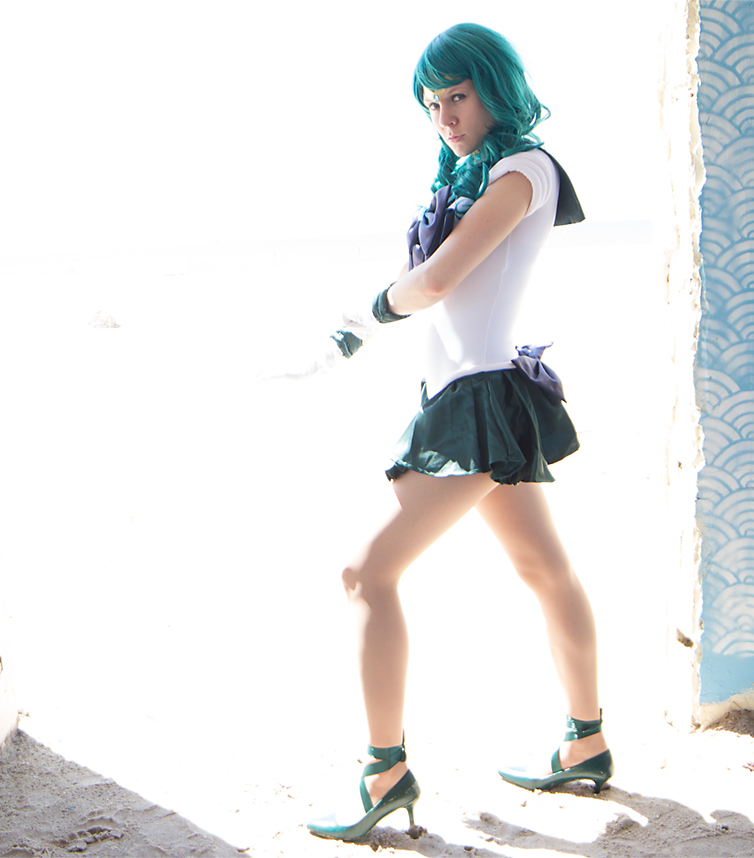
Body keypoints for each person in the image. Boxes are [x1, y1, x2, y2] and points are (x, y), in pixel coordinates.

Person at [302, 23, 610, 842]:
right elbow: (437, 288)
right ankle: (586, 744)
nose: (444, 116)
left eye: (458, 96)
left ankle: (384, 774)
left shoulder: (523, 170)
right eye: (432, 103)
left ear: (495, 88)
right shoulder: (474, 174)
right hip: (470, 394)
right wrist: (366, 323)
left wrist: (366, 313)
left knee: (365, 573)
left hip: (479, 400)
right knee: (545, 569)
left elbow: (436, 281)